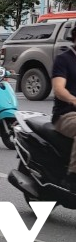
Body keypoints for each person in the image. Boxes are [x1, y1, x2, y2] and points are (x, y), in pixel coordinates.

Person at [51, 27, 76, 189]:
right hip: (66, 114)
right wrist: (73, 99)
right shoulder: (64, 59)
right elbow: (59, 89)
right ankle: (73, 176)